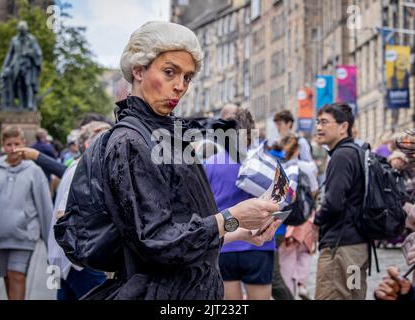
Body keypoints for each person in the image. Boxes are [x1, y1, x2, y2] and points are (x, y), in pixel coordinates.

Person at [79, 21, 280, 300]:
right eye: (170, 72)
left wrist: (241, 230)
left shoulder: (166, 134)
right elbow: (158, 242)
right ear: (138, 70)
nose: (180, 86)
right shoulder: (132, 141)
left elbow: (187, 234)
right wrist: (232, 216)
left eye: (187, 77)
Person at [204, 108, 281, 300]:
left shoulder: (209, 163)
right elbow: (286, 197)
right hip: (259, 244)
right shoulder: (267, 163)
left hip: (224, 244)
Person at [48, 122, 110, 300]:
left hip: (65, 259)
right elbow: (63, 215)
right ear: (89, 145)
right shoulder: (85, 170)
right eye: (105, 141)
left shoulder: (78, 165)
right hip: (79, 263)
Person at [314, 103, 368, 300]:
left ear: (343, 127)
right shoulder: (356, 152)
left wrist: (316, 220)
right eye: (317, 122)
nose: (319, 127)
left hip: (340, 248)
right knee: (353, 295)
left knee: (333, 295)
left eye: (325, 122)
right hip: (356, 246)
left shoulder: (341, 156)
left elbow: (334, 202)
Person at [0, 126, 53, 300]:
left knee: (17, 275)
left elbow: (44, 207)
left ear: (24, 144)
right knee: (7, 277)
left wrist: (51, 242)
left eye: (17, 144)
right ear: (3, 146)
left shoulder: (34, 171)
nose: (13, 149)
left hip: (24, 236)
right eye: (8, 144)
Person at [277, 134, 318, 300]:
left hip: (285, 217)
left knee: (286, 258)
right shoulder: (308, 166)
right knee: (305, 251)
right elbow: (314, 191)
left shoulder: (278, 165)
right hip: (305, 217)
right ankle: (301, 283)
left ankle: (290, 291)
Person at [0, 20, 42, 110]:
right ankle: (22, 104)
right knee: (19, 85)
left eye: (24, 30)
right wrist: (5, 66)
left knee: (28, 84)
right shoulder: (14, 40)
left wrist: (29, 53)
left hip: (28, 66)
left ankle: (30, 104)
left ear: (26, 30)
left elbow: (38, 53)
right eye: (21, 30)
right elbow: (10, 54)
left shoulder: (32, 39)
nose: (22, 32)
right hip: (17, 65)